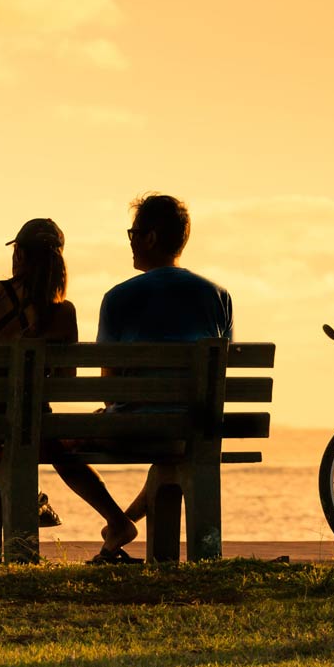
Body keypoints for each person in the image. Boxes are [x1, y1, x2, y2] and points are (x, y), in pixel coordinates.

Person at [0, 217, 138, 559]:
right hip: (33, 431)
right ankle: (115, 519)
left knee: (7, 436)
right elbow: (64, 384)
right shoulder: (63, 313)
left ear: (18, 255)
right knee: (45, 439)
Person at [96, 192, 233, 535]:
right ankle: (118, 531)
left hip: (136, 430)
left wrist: (113, 412)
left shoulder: (118, 297)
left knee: (58, 443)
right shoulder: (219, 296)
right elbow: (220, 376)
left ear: (151, 237)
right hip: (196, 429)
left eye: (133, 235)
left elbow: (108, 389)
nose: (130, 243)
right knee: (169, 458)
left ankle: (117, 524)